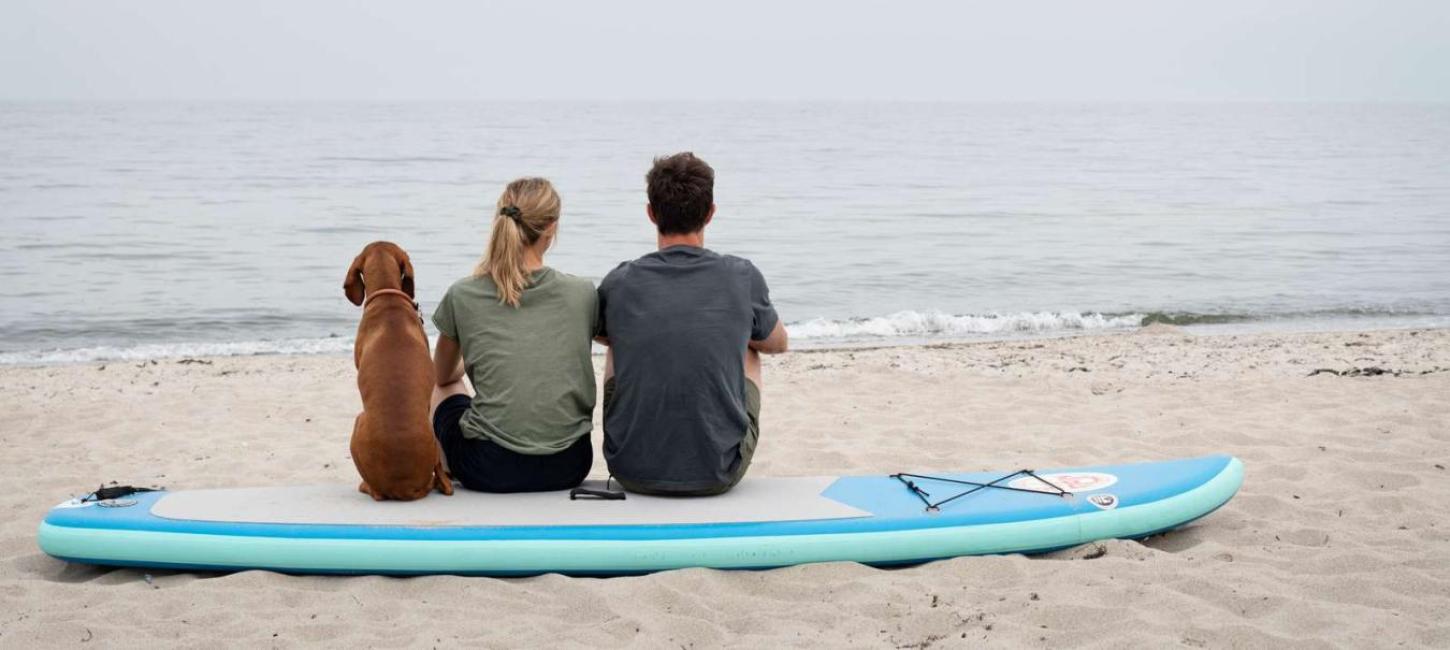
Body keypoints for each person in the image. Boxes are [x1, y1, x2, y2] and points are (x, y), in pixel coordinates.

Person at [597, 152, 789, 496]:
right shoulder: (741, 276)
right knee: (751, 348)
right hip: (718, 471)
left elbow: (599, 332)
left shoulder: (620, 281)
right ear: (711, 212)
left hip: (629, 468)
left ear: (651, 213)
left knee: (616, 344)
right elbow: (778, 343)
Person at [430, 177, 597, 492]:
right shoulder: (583, 293)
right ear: (551, 227)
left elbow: (441, 376)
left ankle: (445, 473)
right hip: (570, 464)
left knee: (444, 386)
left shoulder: (463, 294)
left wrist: (473, 354)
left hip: (487, 468)